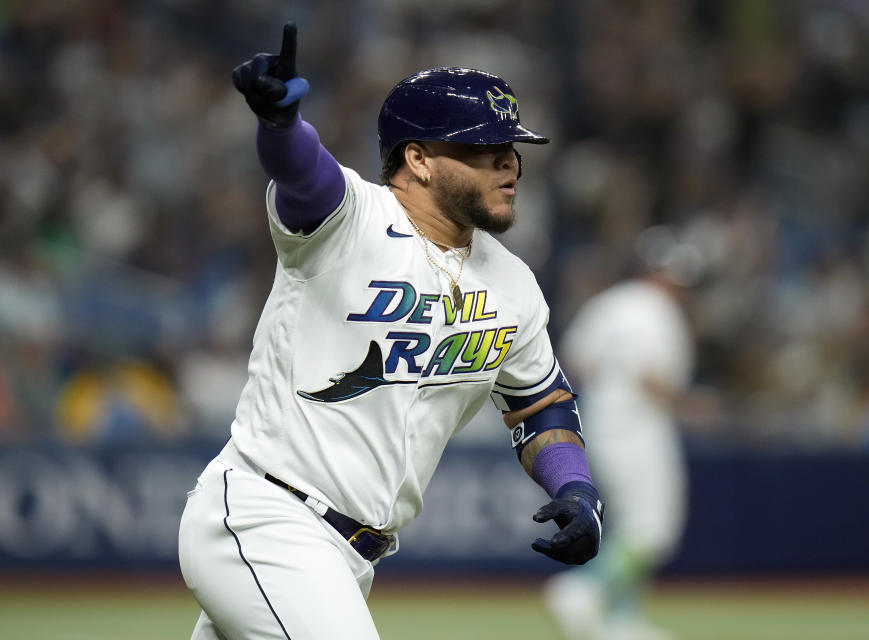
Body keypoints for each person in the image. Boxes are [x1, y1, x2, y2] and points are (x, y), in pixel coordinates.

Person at [177, 23, 604, 640]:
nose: (509, 162)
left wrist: (576, 487)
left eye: (511, 147)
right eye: (484, 148)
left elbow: (540, 405)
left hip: (349, 556)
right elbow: (304, 175)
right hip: (269, 517)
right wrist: (280, 126)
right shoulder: (351, 219)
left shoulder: (512, 286)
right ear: (418, 159)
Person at [544, 226, 699, 640]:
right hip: (640, 425)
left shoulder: (607, 304)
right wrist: (692, 407)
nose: (679, 286)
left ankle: (622, 621)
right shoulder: (659, 311)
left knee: (630, 524)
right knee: (652, 529)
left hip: (598, 421)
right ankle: (584, 588)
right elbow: (656, 380)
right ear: (658, 272)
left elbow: (571, 364)